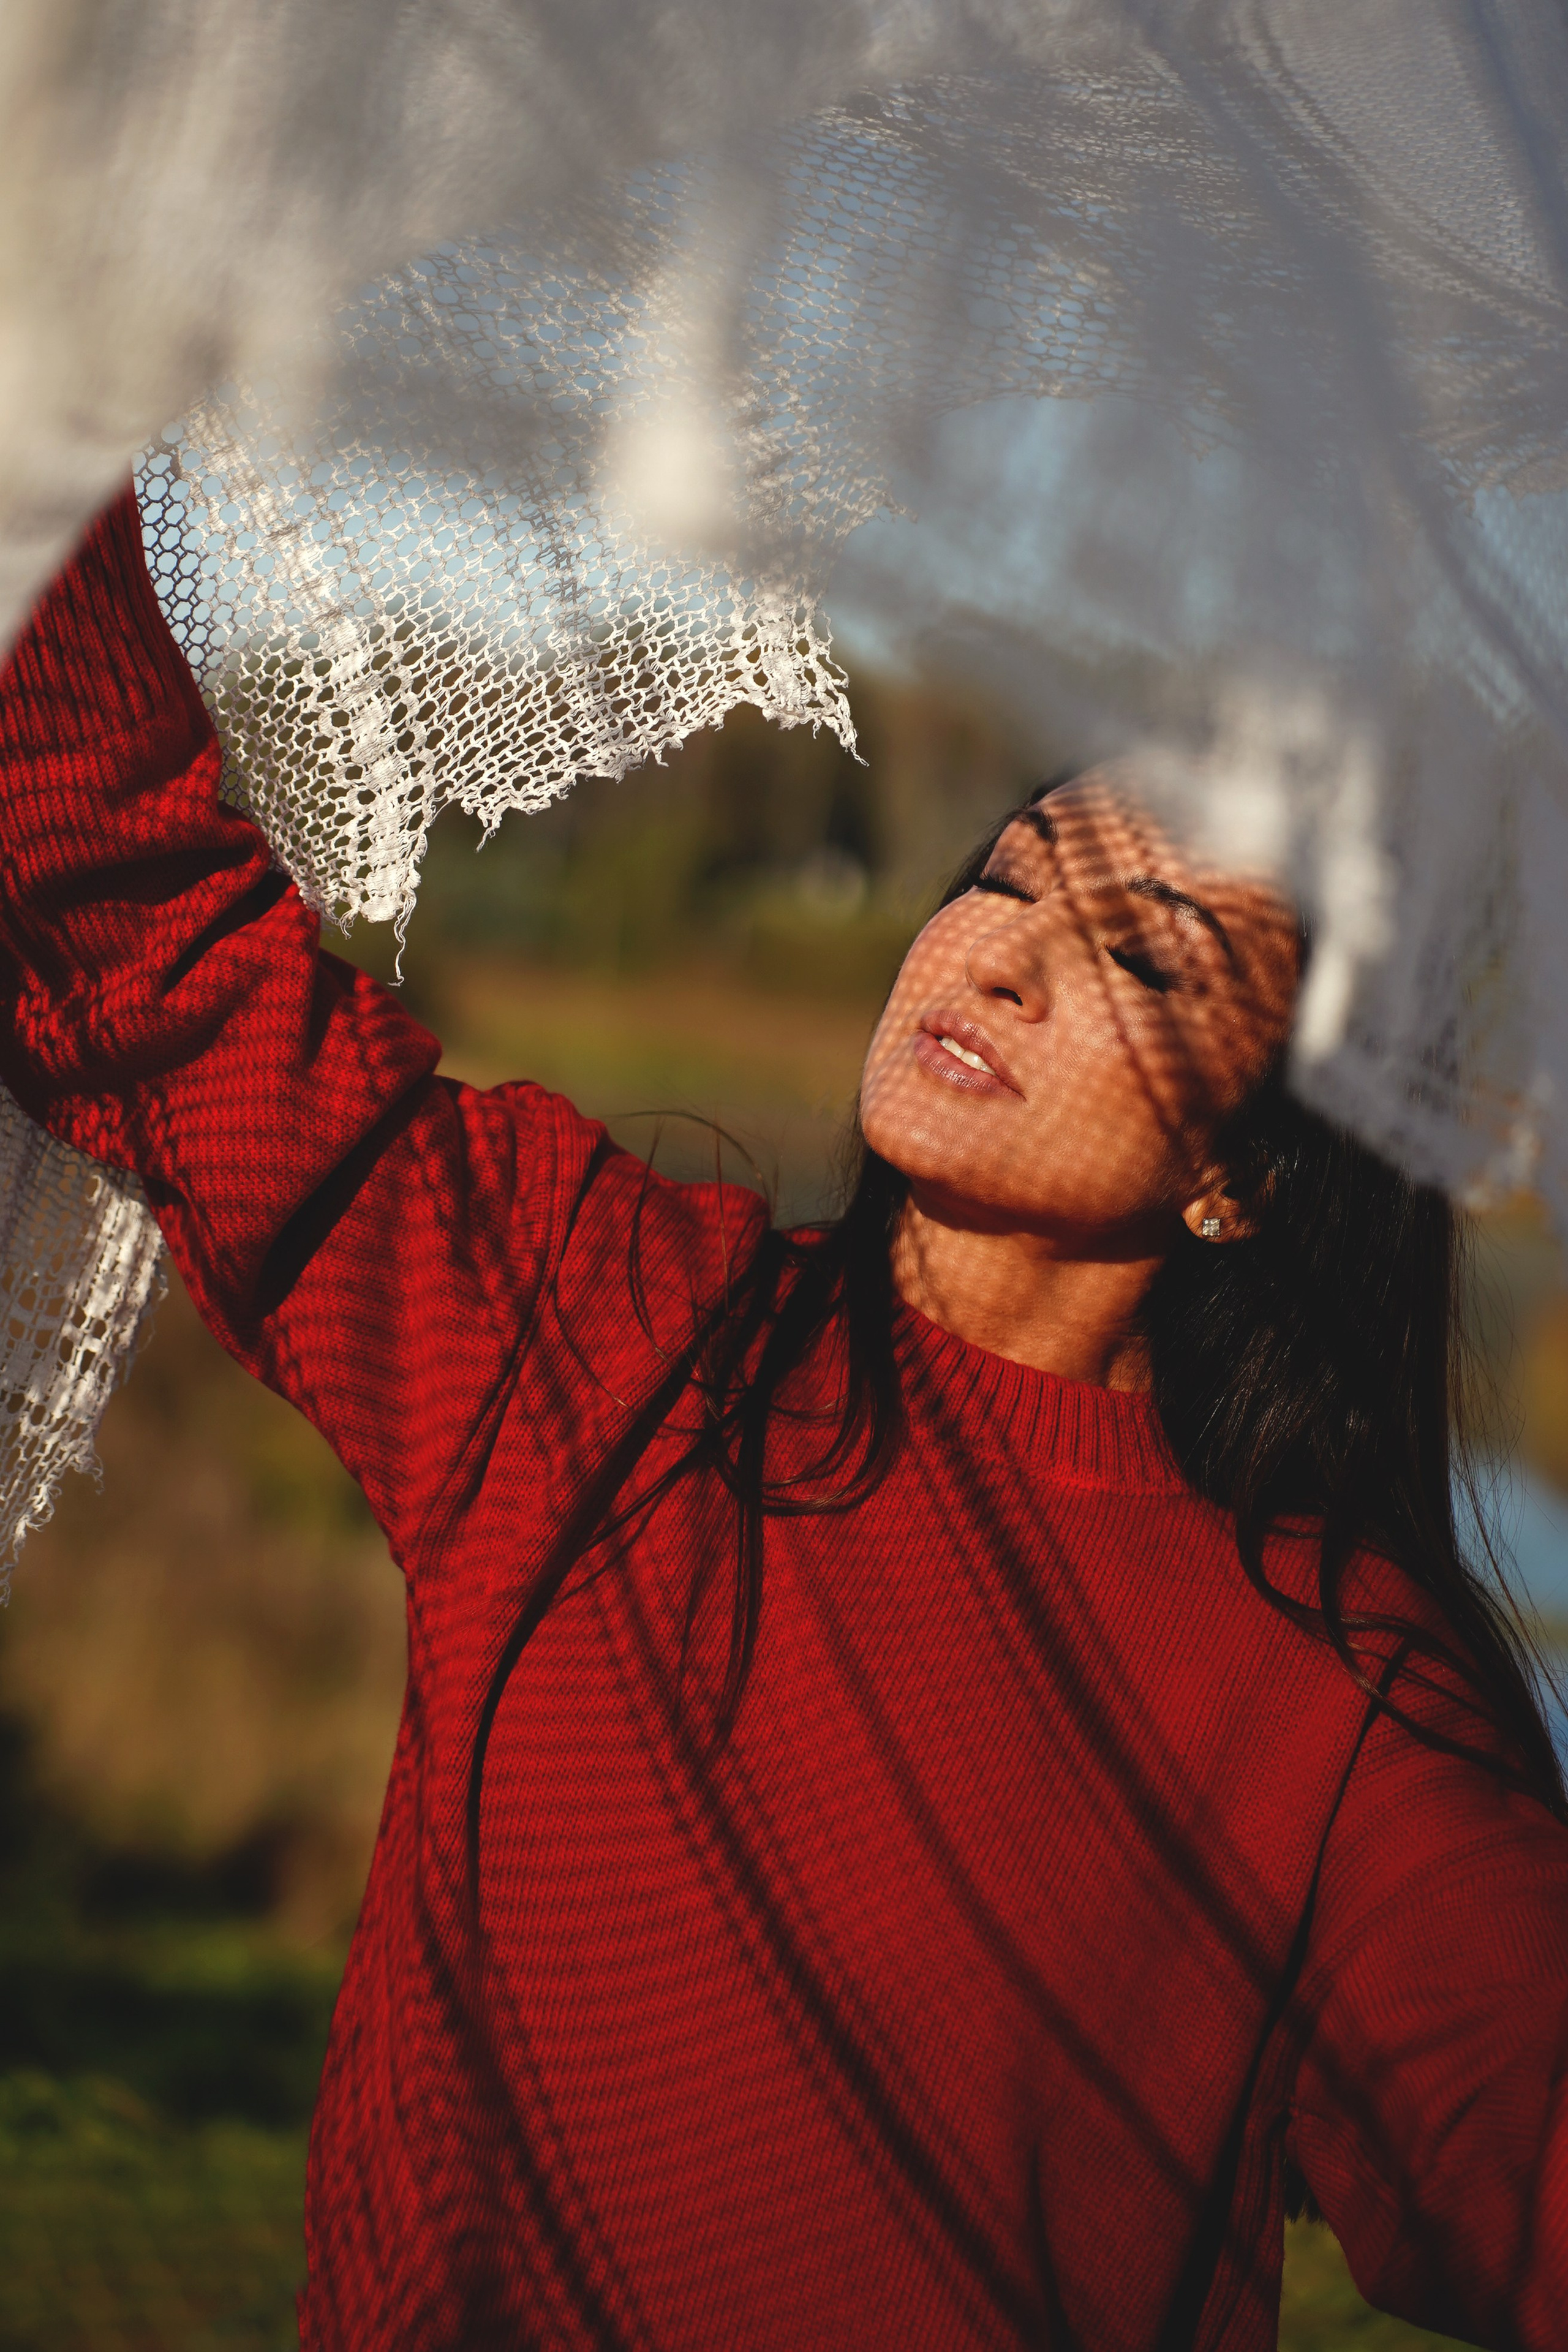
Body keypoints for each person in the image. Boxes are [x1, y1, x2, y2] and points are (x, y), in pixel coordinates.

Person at [1, 487, 1565, 2352]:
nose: (996, 954)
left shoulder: (1332, 1687)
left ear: (1245, 1177)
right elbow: (141, 923)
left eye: (1142, 960)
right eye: (1001, 877)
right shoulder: (595, 1327)